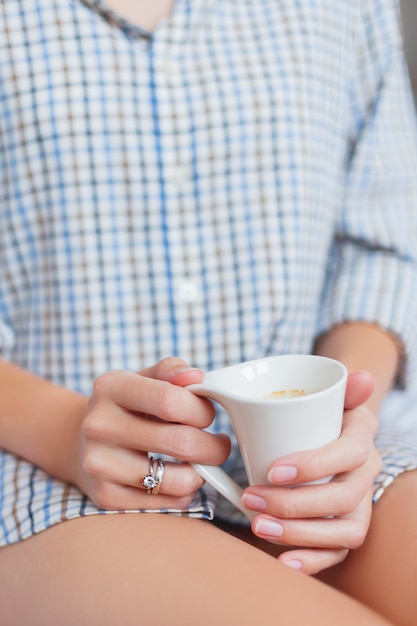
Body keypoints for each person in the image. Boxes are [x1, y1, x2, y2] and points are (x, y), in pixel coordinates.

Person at [0, 1, 417, 624]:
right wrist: (68, 432)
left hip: (338, 450)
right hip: (40, 460)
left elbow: (382, 244)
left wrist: (339, 423)